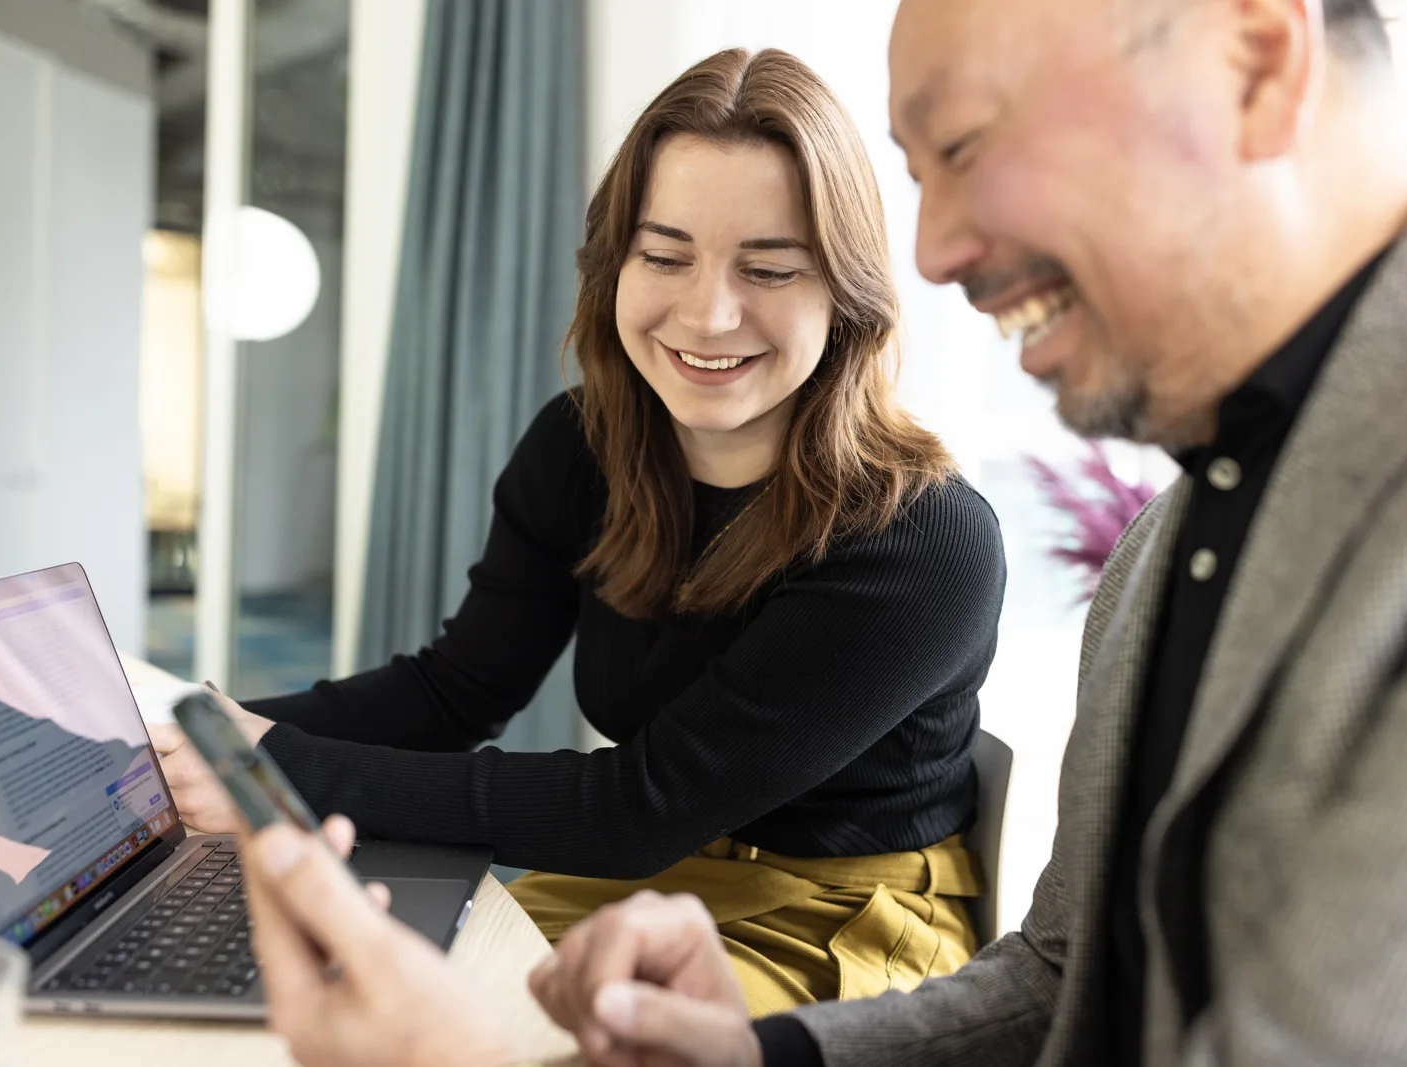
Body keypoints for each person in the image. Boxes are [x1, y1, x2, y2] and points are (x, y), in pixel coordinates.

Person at [237, 0, 1407, 1063]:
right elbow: (1060, 976)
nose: (935, 252)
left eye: (967, 142)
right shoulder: (1170, 538)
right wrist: (758, 1052)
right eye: (919, 168)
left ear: (1257, 62)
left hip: (825, 910)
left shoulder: (940, 535)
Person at [154, 46, 1007, 1016]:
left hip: (835, 911)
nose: (708, 312)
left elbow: (636, 806)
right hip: (648, 874)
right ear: (613, 262)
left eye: (768, 267)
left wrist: (278, 766)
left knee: (485, 1026)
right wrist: (205, 726)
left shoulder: (924, 541)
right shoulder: (583, 446)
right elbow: (456, 689)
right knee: (343, 996)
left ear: (845, 295)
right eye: (664, 254)